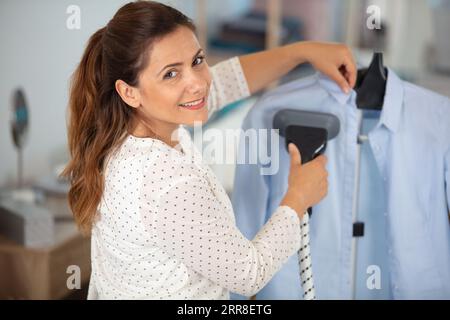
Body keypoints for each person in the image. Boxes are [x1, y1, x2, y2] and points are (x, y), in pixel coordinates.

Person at [62, 1, 356, 299]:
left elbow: (228, 81)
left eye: (197, 60)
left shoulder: (127, 127)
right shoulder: (165, 182)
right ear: (129, 91)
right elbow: (248, 273)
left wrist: (302, 51)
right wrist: (299, 197)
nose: (198, 83)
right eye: (170, 74)